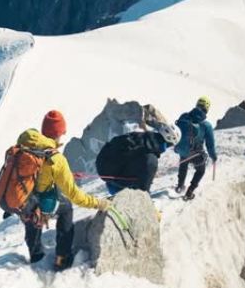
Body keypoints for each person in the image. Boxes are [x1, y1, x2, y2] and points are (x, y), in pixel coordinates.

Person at [17, 110, 111, 271]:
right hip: (39, 202)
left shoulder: (25, 143)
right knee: (66, 208)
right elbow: (75, 195)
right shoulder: (56, 159)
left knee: (31, 211)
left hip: (20, 197)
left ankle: (35, 255)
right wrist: (99, 203)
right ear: (59, 134)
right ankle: (62, 257)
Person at [95, 120, 181, 195]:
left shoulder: (140, 135)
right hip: (112, 178)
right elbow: (143, 192)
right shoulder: (151, 160)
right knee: (141, 179)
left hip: (102, 164)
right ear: (169, 144)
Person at [174, 96, 217, 200]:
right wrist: (213, 156)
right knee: (200, 170)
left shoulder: (184, 116)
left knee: (183, 163)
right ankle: (189, 192)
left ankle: (180, 186)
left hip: (181, 149)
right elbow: (210, 145)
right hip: (195, 153)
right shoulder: (206, 125)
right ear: (207, 109)